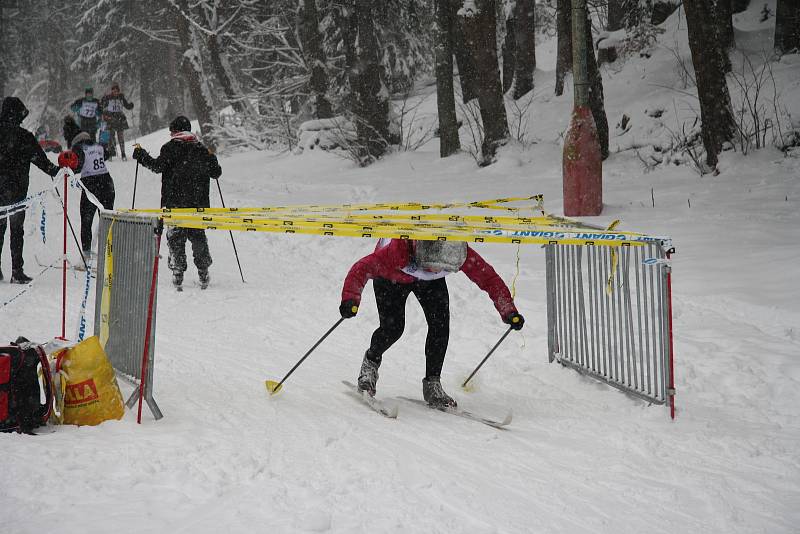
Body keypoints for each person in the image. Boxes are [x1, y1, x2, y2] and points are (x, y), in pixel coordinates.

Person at [339, 238, 525, 407]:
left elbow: (488, 278)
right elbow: (361, 268)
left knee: (440, 327)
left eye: (444, 267)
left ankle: (432, 383)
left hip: (430, 283)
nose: (438, 270)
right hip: (392, 278)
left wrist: (508, 310)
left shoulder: (455, 251)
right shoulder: (394, 253)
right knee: (393, 328)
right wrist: (351, 299)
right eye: (434, 266)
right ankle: (370, 366)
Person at [132, 116, 221, 290]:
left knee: (176, 238)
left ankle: (178, 273)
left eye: (171, 131)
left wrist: (141, 156)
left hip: (175, 202)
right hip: (198, 203)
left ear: (175, 131)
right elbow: (216, 173)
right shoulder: (201, 149)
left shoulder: (170, 148)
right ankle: (203, 272)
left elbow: (157, 167)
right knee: (198, 237)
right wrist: (212, 158)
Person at [0, 97, 61, 283]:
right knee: (16, 230)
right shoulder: (25, 137)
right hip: (17, 190)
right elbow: (42, 162)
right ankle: (17, 271)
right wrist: (59, 171)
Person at [62, 132, 115, 259]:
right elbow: (107, 154)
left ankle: (86, 255)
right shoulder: (98, 146)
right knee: (107, 220)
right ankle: (109, 254)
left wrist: (67, 169)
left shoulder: (78, 148)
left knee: (87, 221)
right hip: (107, 184)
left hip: (91, 186)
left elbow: (78, 165)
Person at [100, 82, 134, 161]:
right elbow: (102, 105)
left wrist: (131, 105)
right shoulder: (108, 98)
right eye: (114, 91)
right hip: (110, 118)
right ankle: (110, 154)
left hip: (119, 118)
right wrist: (102, 101)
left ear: (118, 91)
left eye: (116, 91)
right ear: (112, 91)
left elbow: (127, 106)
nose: (115, 93)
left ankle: (123, 153)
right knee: (110, 138)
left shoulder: (121, 98)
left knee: (120, 137)